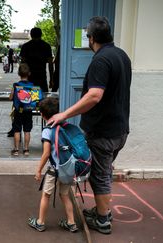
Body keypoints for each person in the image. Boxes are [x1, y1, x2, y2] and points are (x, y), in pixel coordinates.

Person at [48, 16, 131, 234]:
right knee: (104, 171)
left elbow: (94, 95)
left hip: (103, 132)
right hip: (120, 130)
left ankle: (103, 219)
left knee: (100, 176)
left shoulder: (101, 60)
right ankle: (101, 209)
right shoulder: (121, 55)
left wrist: (64, 114)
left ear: (91, 38)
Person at [27, 97, 78, 233]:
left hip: (54, 170)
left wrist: (38, 170)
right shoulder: (64, 126)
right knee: (65, 195)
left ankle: (40, 222)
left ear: (42, 115)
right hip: (67, 168)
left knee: (46, 195)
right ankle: (71, 223)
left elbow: (46, 153)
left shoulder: (47, 130)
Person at [9, 63, 34, 156]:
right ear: (29, 73)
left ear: (19, 73)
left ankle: (16, 150)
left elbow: (10, 98)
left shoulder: (15, 85)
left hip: (18, 111)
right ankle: (26, 150)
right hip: (28, 110)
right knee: (27, 130)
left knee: (17, 130)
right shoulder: (32, 85)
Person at [20, 27, 54, 92]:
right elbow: (50, 64)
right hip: (42, 77)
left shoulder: (25, 46)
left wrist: (22, 78)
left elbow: (23, 64)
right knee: (42, 98)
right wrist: (51, 80)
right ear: (41, 34)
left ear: (31, 35)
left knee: (29, 98)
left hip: (29, 77)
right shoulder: (46, 46)